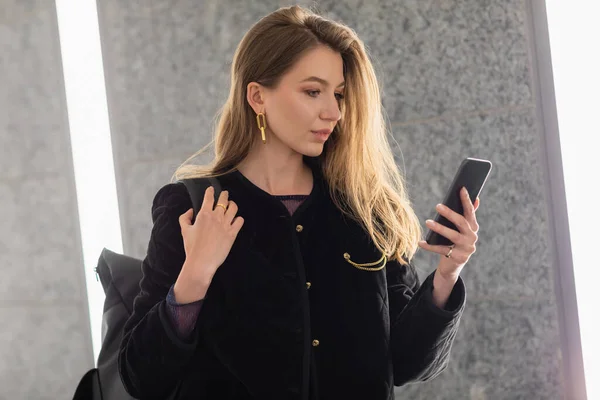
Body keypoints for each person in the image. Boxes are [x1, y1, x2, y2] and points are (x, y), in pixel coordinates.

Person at [119, 5, 480, 400]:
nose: (334, 111)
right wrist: (195, 276)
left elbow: (407, 362)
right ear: (257, 96)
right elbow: (141, 378)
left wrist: (447, 277)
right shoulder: (193, 207)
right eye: (313, 91)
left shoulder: (363, 209)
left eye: (338, 94)